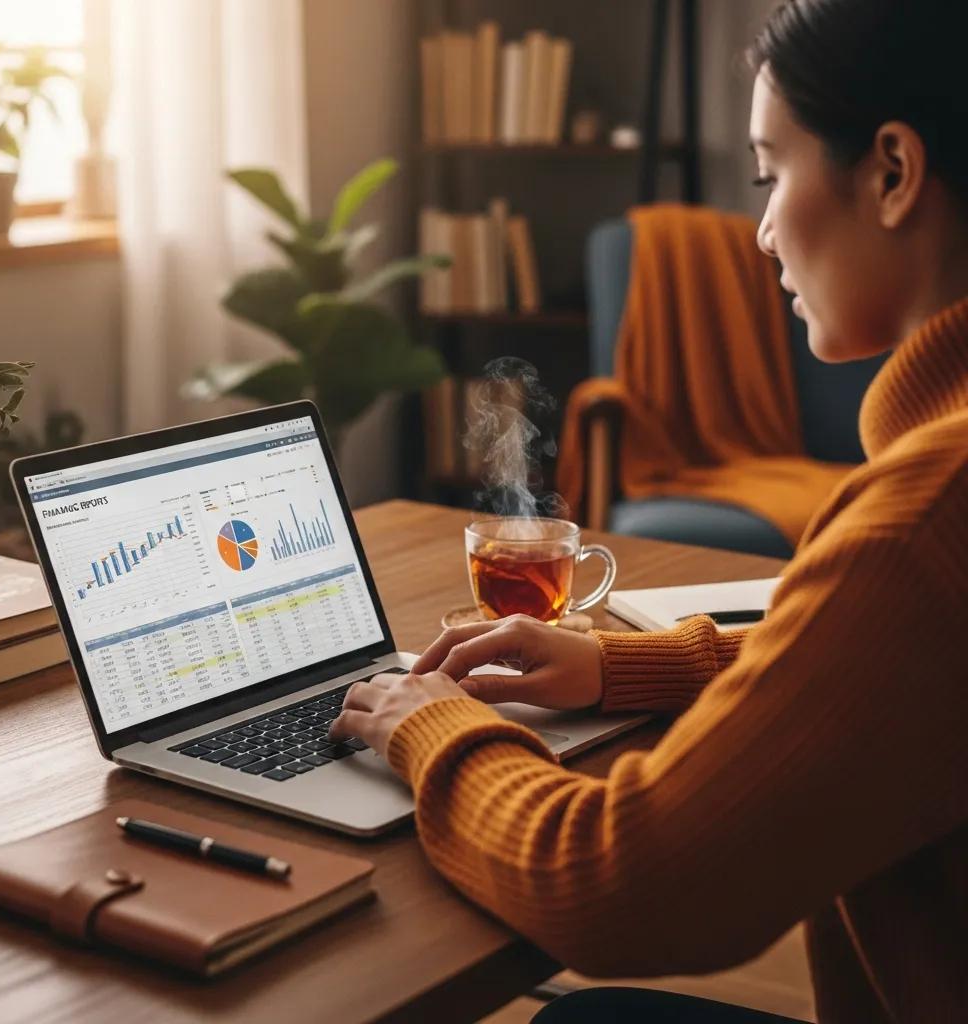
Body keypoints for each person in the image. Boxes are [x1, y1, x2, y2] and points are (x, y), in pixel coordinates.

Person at [328, 1, 968, 1020]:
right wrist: (619, 663)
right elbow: (898, 671)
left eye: (770, 172)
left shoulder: (925, 515)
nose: (759, 230)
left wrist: (434, 728)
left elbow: (616, 884)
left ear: (891, 172)